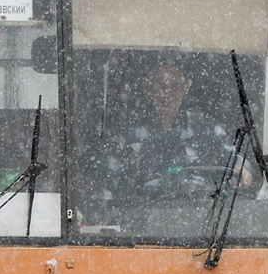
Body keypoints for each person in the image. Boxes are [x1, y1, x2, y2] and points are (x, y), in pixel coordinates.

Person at [103, 60, 252, 194]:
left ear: (184, 90)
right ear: (149, 91)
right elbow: (109, 180)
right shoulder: (131, 133)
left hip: (203, 212)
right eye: (161, 87)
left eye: (175, 87)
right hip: (144, 213)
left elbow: (233, 157)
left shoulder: (204, 127)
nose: (168, 93)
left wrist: (240, 167)